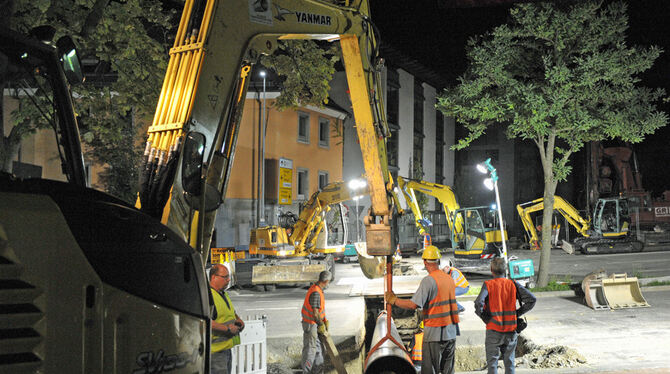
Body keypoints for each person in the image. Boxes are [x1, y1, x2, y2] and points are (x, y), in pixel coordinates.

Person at [386, 245, 459, 374]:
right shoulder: (449, 279)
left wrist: (394, 300)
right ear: (439, 261)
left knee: (430, 370)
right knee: (448, 371)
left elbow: (413, 305)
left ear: (425, 262)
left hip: (435, 335)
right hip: (451, 332)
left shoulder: (428, 281)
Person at [474, 258, 536, 374]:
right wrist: (517, 313)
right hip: (511, 330)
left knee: (492, 365)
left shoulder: (488, 285)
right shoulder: (512, 284)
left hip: (493, 330)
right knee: (510, 363)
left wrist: (485, 317)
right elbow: (532, 300)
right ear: (506, 270)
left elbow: (478, 303)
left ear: (491, 270)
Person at [210, 264, 245, 374]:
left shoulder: (223, 294)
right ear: (214, 277)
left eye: (228, 277)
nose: (228, 279)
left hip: (226, 349)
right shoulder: (209, 296)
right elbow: (206, 321)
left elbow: (230, 313)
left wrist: (238, 319)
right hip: (215, 352)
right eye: (225, 277)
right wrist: (227, 329)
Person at [301, 270, 331, 374]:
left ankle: (317, 371)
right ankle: (306, 371)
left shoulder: (318, 290)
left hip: (315, 324)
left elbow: (320, 311)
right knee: (310, 350)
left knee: (320, 350)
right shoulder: (315, 292)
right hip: (311, 324)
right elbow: (315, 313)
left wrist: (325, 321)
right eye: (329, 282)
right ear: (326, 281)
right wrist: (321, 324)